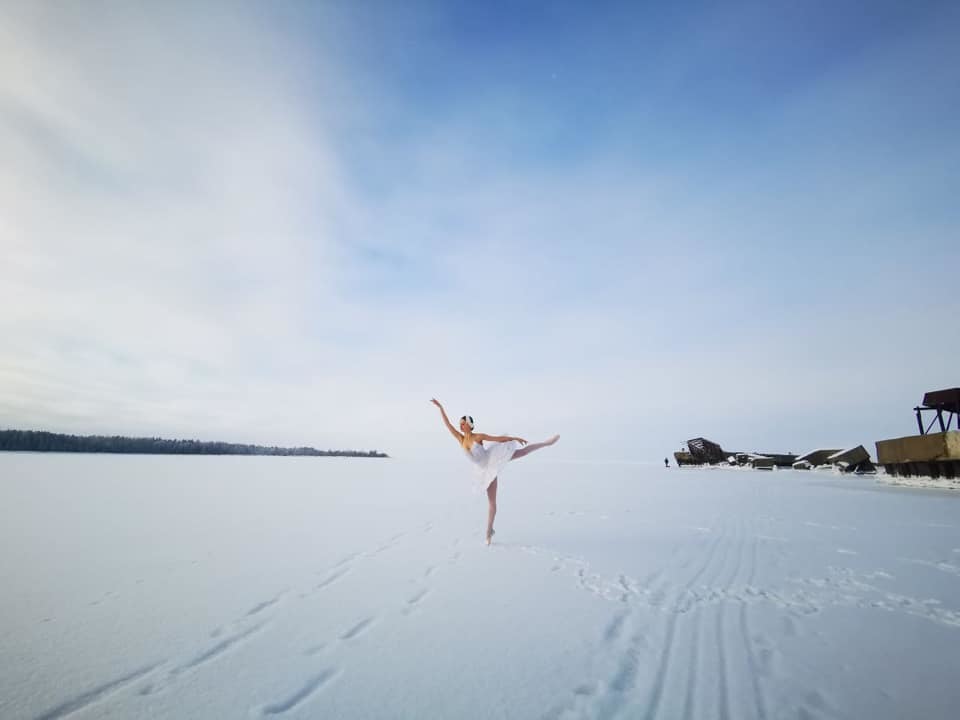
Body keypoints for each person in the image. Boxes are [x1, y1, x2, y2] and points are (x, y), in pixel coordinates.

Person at [430, 398, 559, 545]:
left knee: (521, 453)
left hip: (492, 461)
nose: (461, 424)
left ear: (469, 425)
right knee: (491, 502)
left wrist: (514, 438)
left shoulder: (478, 437)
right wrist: (440, 407)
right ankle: (490, 530)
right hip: (482, 470)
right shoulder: (460, 439)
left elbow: (498, 439)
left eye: (463, 422)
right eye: (460, 423)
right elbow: (447, 425)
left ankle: (547, 443)